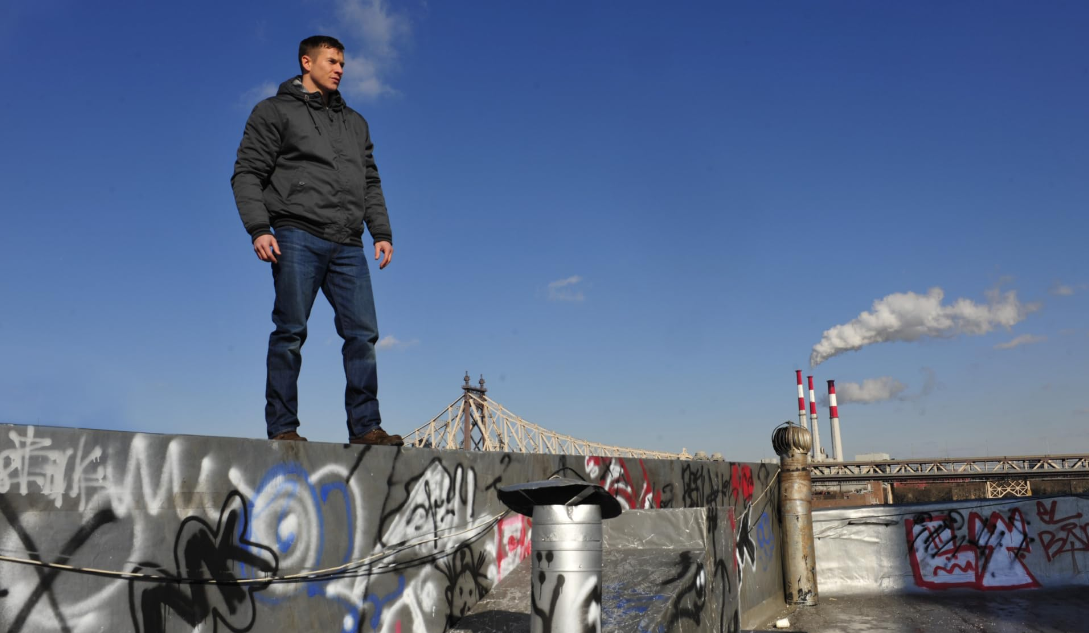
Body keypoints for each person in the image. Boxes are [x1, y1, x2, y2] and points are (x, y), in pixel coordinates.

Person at [231, 35, 402, 446]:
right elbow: (247, 173)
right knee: (290, 332)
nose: (339, 68)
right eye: (331, 61)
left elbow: (371, 181)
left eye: (342, 62)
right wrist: (259, 228)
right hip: (295, 234)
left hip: (348, 242)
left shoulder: (355, 123)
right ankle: (283, 429)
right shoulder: (273, 111)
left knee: (363, 335)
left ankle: (365, 428)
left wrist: (380, 231)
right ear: (307, 62)